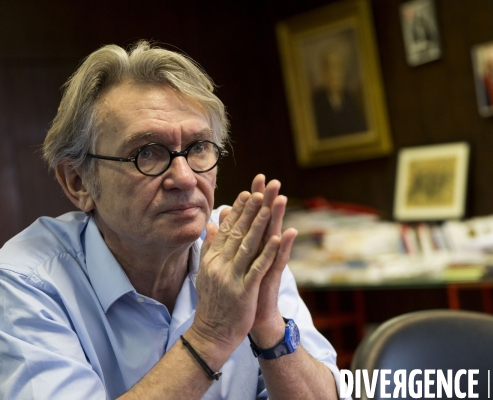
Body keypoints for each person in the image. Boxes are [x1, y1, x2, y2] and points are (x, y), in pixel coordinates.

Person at [0, 41, 343, 400]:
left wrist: (268, 324)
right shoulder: (26, 283)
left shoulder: (239, 250)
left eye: (198, 147)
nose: (184, 177)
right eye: (146, 153)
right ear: (78, 181)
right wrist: (211, 334)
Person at [312, 47, 367, 139]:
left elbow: (361, 130)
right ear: (324, 73)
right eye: (331, 68)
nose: (335, 74)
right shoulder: (317, 102)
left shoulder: (350, 98)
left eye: (338, 68)